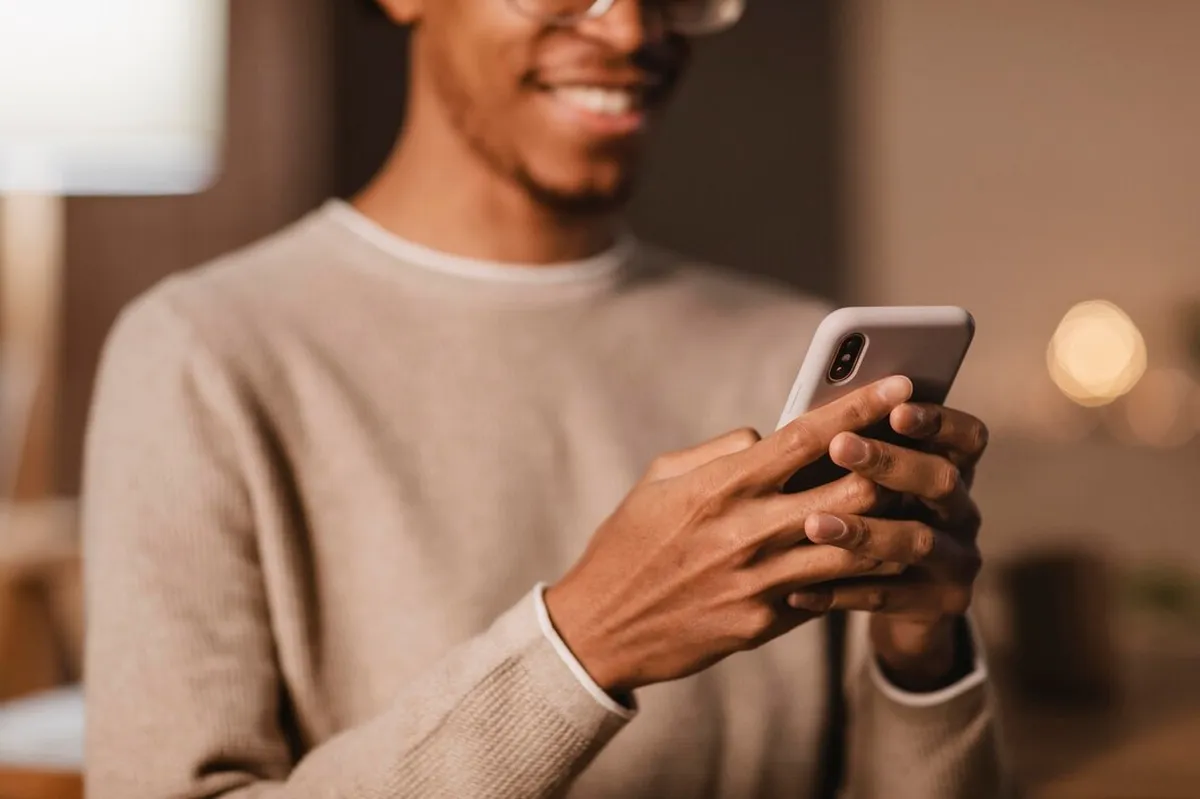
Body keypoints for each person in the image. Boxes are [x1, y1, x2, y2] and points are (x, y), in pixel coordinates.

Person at [83, 0, 1006, 796]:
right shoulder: (202, 354)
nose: (633, 29)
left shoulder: (790, 350)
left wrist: (920, 663)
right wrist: (583, 647)